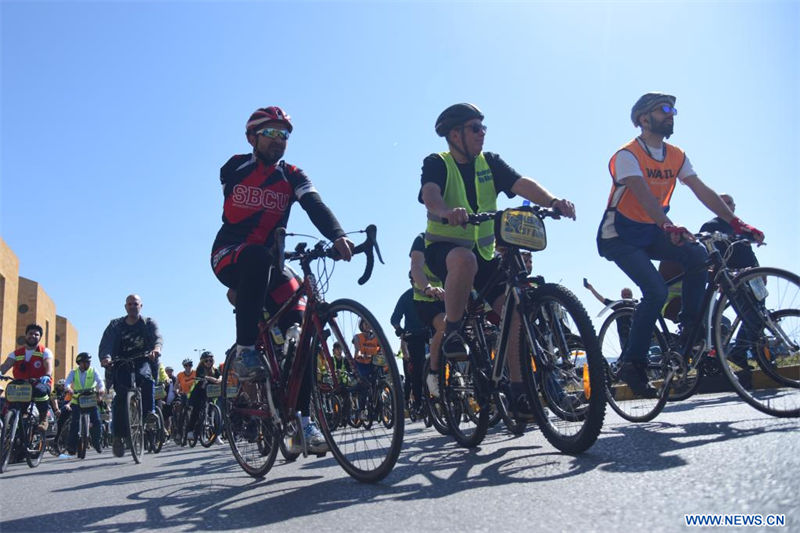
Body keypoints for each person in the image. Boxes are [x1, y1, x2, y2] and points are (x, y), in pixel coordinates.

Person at [596, 92, 764, 397]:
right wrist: (667, 225)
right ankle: (633, 363)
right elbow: (644, 195)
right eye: (663, 110)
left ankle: (690, 329)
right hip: (620, 235)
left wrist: (738, 223)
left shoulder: (677, 155)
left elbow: (701, 189)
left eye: (673, 110)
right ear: (644, 119)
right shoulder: (627, 154)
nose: (671, 114)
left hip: (653, 230)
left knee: (697, 254)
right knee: (656, 291)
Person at [210, 106, 354, 454]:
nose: (279, 140)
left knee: (301, 331)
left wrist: (337, 235)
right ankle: (245, 349)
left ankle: (301, 421)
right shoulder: (236, 166)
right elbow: (231, 192)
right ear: (252, 137)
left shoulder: (293, 174)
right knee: (257, 256)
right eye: (271, 133)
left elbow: (314, 203)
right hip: (231, 254)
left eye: (284, 135)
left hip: (272, 266)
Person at [419, 103, 577, 415]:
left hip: (486, 253)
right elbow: (430, 193)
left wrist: (553, 200)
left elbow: (521, 183)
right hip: (445, 249)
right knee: (464, 259)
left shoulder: (489, 163)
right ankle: (453, 332)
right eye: (474, 128)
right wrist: (446, 212)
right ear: (455, 134)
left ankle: (519, 393)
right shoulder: (437, 162)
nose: (482, 134)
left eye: (483, 127)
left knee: (515, 309)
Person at [98, 294, 163, 457]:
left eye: (136, 304)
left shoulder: (148, 323)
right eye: (130, 304)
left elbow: (157, 337)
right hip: (121, 362)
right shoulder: (115, 325)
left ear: (141, 306)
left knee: (146, 379)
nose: (133, 306)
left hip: (143, 359)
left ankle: (149, 415)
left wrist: (156, 349)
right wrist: (105, 357)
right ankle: (118, 437)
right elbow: (106, 343)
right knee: (120, 398)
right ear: (125, 307)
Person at [408, 232, 446, 398]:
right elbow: (416, 267)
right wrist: (428, 288)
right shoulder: (422, 239)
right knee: (444, 325)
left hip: (448, 296)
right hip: (425, 299)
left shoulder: (460, 238)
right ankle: (433, 373)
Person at [0, 324, 53, 431]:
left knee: (40, 390)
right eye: (30, 333)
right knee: (10, 391)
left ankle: (43, 419)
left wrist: (47, 375)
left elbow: (49, 367)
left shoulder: (45, 352)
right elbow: (5, 366)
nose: (33, 336)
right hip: (21, 385)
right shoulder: (16, 353)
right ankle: (11, 425)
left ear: (40, 337)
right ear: (26, 335)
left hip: (39, 383)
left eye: (36, 334)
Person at [390, 275, 429, 415]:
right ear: (412, 281)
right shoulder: (406, 297)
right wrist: (400, 331)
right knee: (417, 370)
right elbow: (394, 319)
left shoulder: (431, 291)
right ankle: (418, 403)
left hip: (431, 332)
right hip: (414, 335)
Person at [63, 352, 105, 456]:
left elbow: (100, 382)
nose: (88, 364)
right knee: (74, 422)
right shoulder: (74, 372)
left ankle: (96, 442)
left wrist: (101, 390)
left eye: (89, 362)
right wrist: (68, 389)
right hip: (77, 401)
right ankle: (72, 446)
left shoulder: (93, 371)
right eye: (86, 362)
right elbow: (67, 382)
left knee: (97, 421)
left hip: (90, 400)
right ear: (80, 363)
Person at [185, 351, 221, 441]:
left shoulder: (215, 369)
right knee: (196, 411)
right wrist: (213, 379)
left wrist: (219, 379)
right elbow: (204, 377)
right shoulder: (200, 369)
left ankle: (215, 436)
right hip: (199, 393)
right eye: (206, 361)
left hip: (210, 393)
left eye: (210, 360)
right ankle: (190, 431)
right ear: (202, 362)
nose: (209, 362)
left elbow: (220, 376)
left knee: (212, 412)